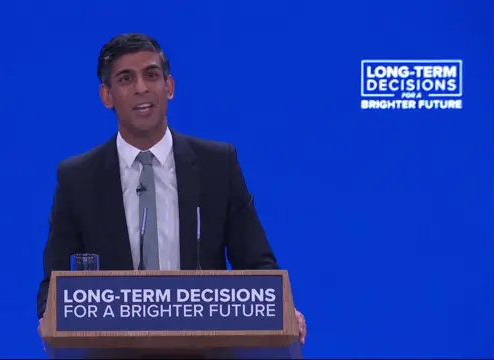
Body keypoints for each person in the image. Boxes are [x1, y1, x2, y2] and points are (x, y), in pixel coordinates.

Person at [36, 32, 307, 347]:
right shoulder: (77, 178)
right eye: (126, 79)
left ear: (170, 86)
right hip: (111, 352)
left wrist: (283, 310)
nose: (141, 88)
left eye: (151, 75)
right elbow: (54, 285)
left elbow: (258, 266)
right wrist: (49, 317)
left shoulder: (217, 165)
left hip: (204, 350)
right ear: (106, 96)